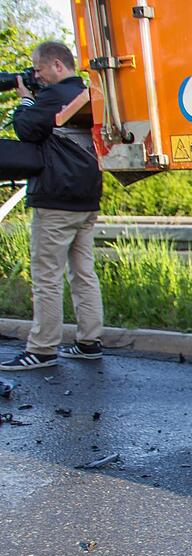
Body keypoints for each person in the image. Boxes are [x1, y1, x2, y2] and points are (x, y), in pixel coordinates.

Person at [0, 42, 104, 371]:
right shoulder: (88, 95)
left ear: (58, 65)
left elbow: (25, 129)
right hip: (86, 200)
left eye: (39, 69)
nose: (36, 75)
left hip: (56, 201)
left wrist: (25, 100)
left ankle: (42, 349)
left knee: (47, 278)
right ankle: (89, 341)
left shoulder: (51, 96)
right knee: (83, 274)